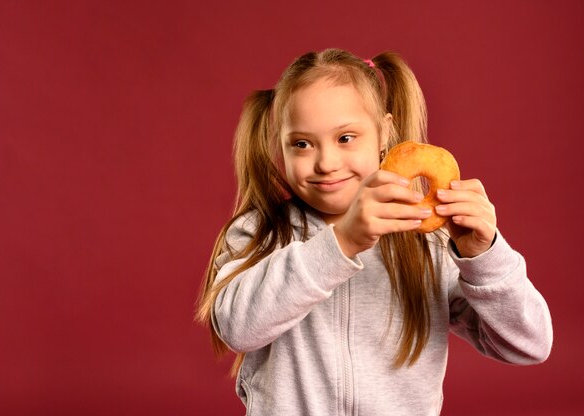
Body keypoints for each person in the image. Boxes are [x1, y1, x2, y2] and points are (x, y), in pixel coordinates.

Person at [195, 48, 552, 415]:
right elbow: (238, 328)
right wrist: (342, 244)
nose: (326, 163)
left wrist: (485, 257)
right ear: (278, 146)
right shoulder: (260, 231)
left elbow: (528, 345)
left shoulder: (427, 242)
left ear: (384, 133)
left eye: (346, 138)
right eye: (302, 144)